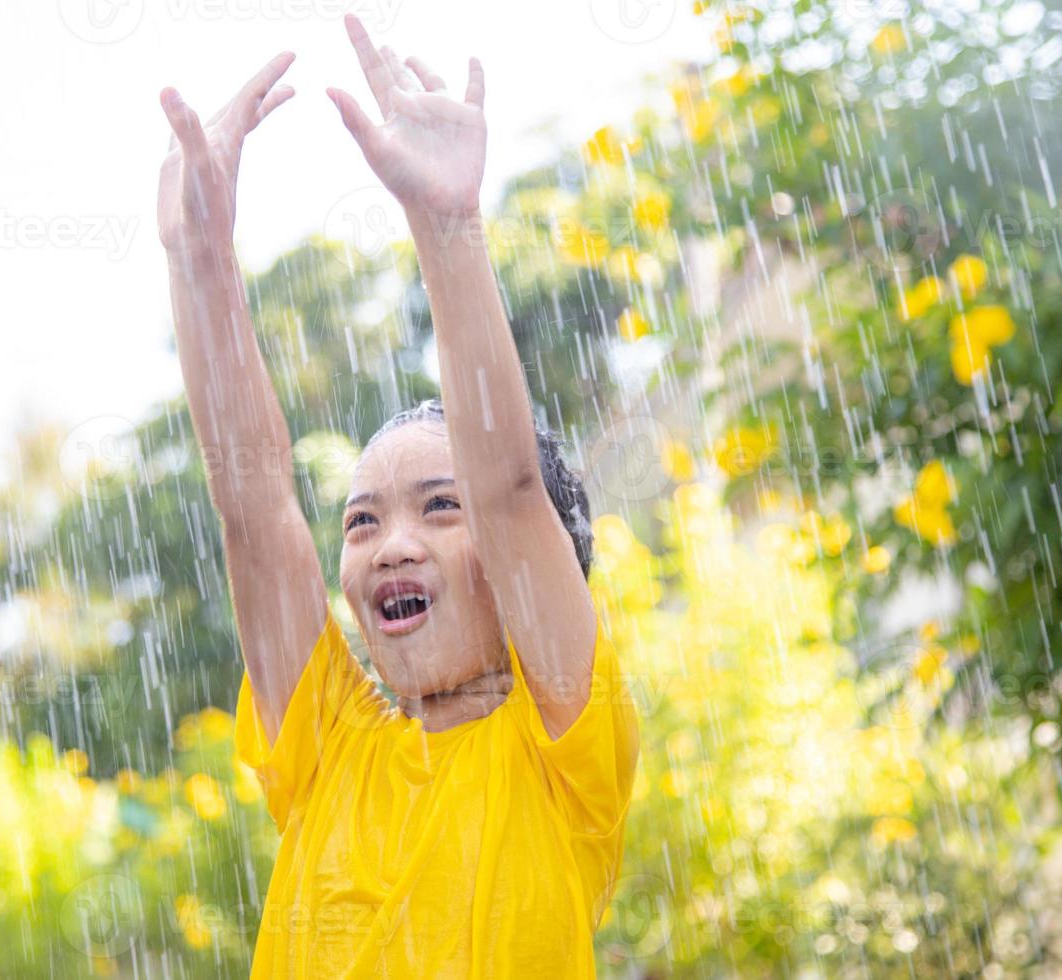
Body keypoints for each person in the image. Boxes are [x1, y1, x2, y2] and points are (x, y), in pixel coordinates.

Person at [156, 14, 641, 976]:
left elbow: (508, 491)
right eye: (363, 520)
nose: (390, 544)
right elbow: (256, 516)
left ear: (527, 569)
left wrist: (447, 227)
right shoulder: (328, 744)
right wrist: (201, 260)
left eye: (438, 506)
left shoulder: (561, 753)